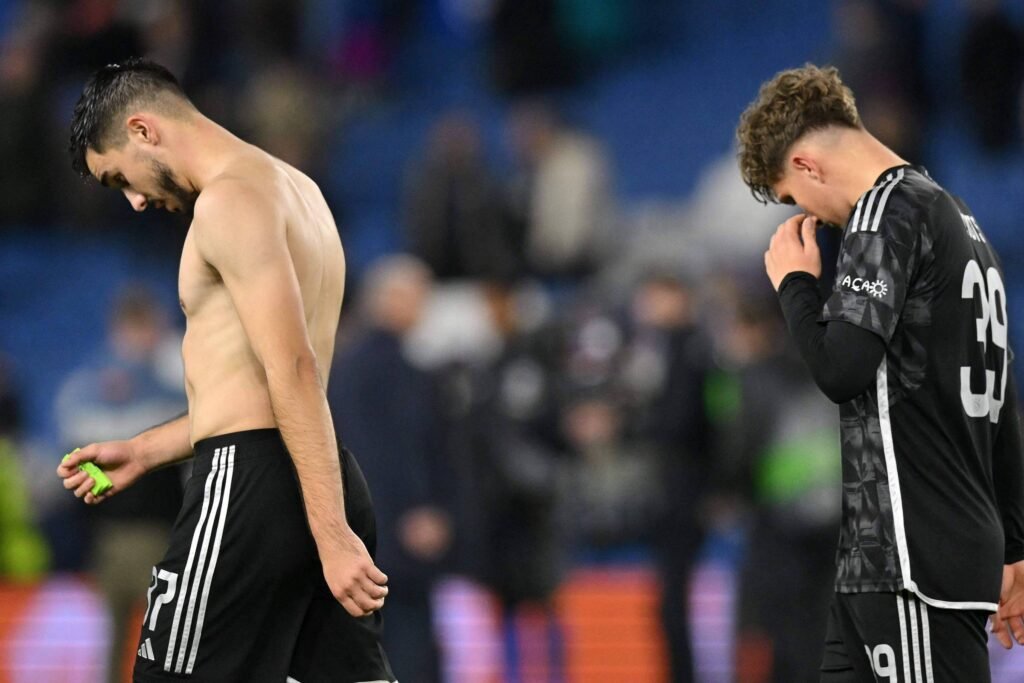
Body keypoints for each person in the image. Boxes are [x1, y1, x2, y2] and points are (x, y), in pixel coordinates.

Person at [57, 58, 394, 683]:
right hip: (320, 471)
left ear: (142, 130)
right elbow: (259, 392)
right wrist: (145, 451)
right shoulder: (299, 190)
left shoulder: (229, 202)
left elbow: (291, 367)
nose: (134, 200)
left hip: (250, 489)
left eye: (119, 178)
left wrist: (331, 535)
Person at [735, 63, 1024, 681]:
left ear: (807, 164)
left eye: (793, 195)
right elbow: (1003, 403)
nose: (809, 215)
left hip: (911, 555)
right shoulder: (959, 220)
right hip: (897, 557)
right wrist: (1016, 543)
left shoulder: (882, 215)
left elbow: (841, 369)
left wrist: (794, 285)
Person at [328, 256, 452, 683]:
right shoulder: (389, 368)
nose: (423, 308)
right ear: (389, 300)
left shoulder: (346, 364)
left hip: (358, 531)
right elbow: (395, 448)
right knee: (408, 647)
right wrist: (416, 510)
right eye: (417, 297)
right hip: (395, 534)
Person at [54, 287, 186, 683]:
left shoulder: (169, 379)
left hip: (158, 536)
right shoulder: (92, 385)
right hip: (112, 537)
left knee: (163, 641)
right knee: (117, 645)